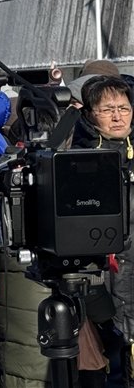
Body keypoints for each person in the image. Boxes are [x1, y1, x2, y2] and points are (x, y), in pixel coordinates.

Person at [70, 75, 134, 386]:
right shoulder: (77, 157)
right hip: (99, 279)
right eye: (108, 109)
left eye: (124, 108)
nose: (118, 117)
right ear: (90, 114)